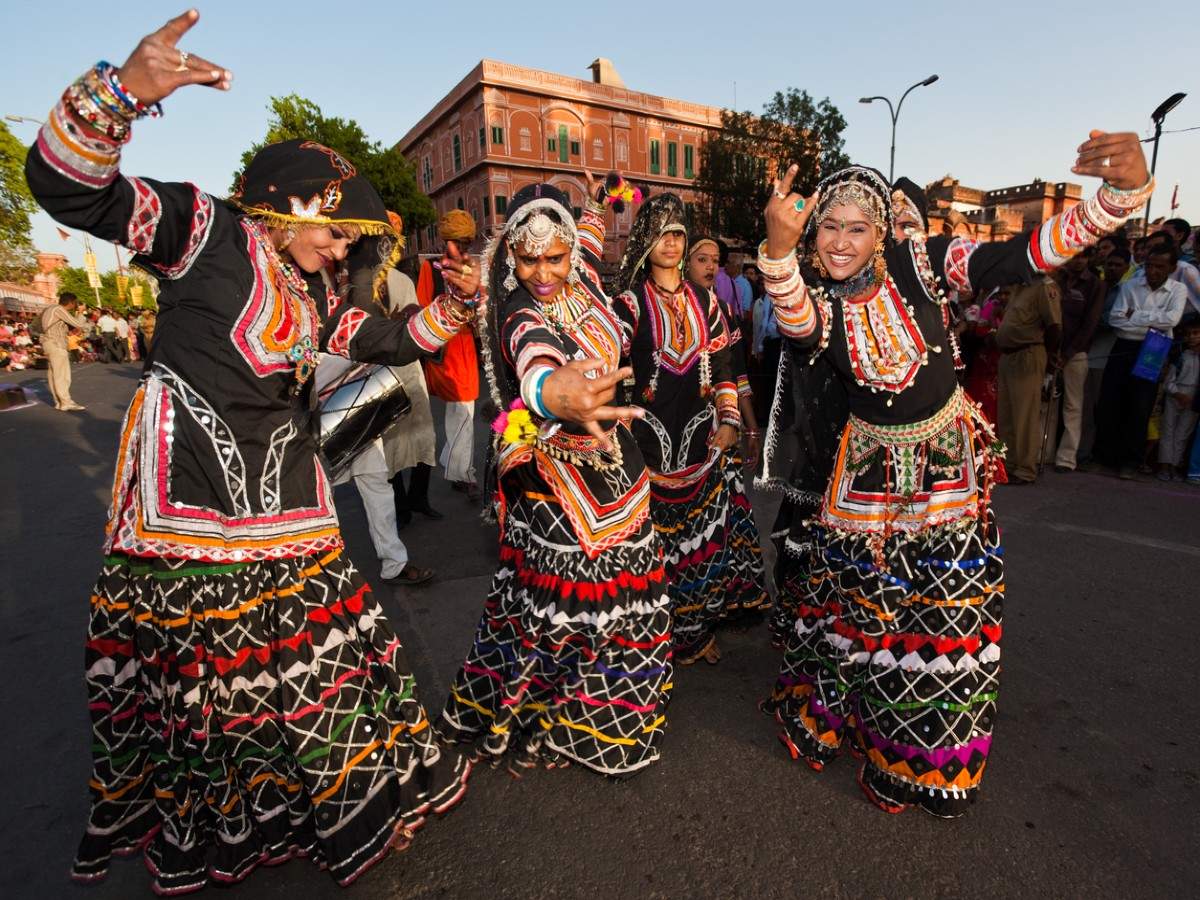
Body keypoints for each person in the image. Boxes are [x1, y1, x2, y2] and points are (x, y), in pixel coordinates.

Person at [25, 14, 475, 891]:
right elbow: (72, 192)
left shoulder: (309, 293)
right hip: (189, 489)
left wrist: (456, 308)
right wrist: (117, 96)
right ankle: (237, 819)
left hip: (287, 493)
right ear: (291, 202)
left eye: (350, 242)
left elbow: (387, 337)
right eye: (338, 232)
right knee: (211, 679)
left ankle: (336, 803)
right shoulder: (204, 229)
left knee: (324, 652)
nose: (343, 249)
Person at [759, 128, 1152, 817]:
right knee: (861, 619)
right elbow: (793, 320)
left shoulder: (926, 262)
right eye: (828, 228)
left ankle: (921, 766)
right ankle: (846, 723)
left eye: (857, 227)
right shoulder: (819, 305)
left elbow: (1024, 255)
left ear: (881, 231)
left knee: (945, 619)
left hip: (947, 471)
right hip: (869, 484)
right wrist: (779, 250)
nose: (842, 241)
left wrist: (1118, 199)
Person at [440, 181, 672, 775]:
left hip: (618, 461)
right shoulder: (518, 310)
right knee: (564, 607)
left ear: (572, 249)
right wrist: (551, 389)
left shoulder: (588, 276)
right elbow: (533, 358)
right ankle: (557, 713)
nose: (542, 271)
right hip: (554, 474)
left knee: (625, 599)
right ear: (510, 255)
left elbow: (591, 230)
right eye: (526, 257)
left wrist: (599, 201)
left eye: (555, 256)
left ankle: (605, 718)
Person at [612, 195, 768, 665]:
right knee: (650, 549)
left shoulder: (709, 302)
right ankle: (654, 637)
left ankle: (694, 631)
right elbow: (612, 373)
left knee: (702, 547)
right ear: (645, 239)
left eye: (678, 233)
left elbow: (723, 365)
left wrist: (730, 421)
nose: (671, 242)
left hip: (702, 445)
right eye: (661, 232)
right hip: (646, 450)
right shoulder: (627, 303)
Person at [1095, 244, 1189, 478]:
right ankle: (1107, 457)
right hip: (1125, 344)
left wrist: (1135, 316)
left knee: (1141, 405)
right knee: (1111, 400)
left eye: (1160, 266)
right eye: (1149, 265)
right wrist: (1150, 321)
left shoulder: (1177, 290)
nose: (1153, 271)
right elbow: (1117, 319)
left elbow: (1172, 320)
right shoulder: (1130, 286)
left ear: (1172, 267)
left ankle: (1131, 461)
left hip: (1155, 347)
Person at [417, 210, 482, 500]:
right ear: (447, 241)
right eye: (459, 243)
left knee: (462, 410)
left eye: (467, 244)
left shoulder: (470, 268)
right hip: (446, 350)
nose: (463, 249)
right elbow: (421, 307)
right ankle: (461, 473)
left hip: (467, 346)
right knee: (462, 410)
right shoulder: (430, 268)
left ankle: (452, 462)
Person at [384, 243, 441, 526]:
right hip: (382, 371)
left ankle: (418, 498)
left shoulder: (403, 280)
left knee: (424, 436)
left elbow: (417, 318)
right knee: (391, 443)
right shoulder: (363, 286)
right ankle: (400, 505)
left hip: (410, 367)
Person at [995, 277, 1062, 483]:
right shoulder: (1019, 286)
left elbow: (1054, 327)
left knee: (1024, 416)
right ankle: (1008, 464)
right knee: (1006, 415)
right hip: (1009, 356)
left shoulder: (1044, 286)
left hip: (1028, 353)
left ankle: (1025, 470)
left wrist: (1050, 364)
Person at [1079, 245, 1132, 463]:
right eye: (1109, 264)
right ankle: (1082, 451)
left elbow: (1110, 322)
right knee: (1082, 407)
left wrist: (1091, 323)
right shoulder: (1096, 286)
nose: (1112, 268)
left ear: (1126, 268)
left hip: (1104, 357)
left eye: (1117, 265)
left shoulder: (1125, 291)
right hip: (1084, 353)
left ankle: (1089, 452)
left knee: (1095, 407)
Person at [1052, 254, 1105, 471]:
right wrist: (1052, 351)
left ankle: (1066, 458)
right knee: (1048, 403)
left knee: (1073, 405)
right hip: (1052, 349)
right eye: (1074, 256)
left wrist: (1068, 353)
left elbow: (1090, 323)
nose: (1078, 261)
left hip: (1076, 352)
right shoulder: (1058, 279)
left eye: (1084, 256)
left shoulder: (1095, 284)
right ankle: (1042, 453)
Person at [1157, 320, 1200, 479]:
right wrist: (1179, 395)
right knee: (1168, 430)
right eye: (1189, 334)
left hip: (1194, 398)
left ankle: (1174, 466)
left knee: (1183, 434)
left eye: (1196, 333)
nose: (1192, 337)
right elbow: (1168, 382)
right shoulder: (1180, 354)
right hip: (1175, 395)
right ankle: (1164, 466)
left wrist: (1192, 398)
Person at [39, 292, 90, 410]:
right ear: (71, 302)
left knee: (54, 374)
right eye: (76, 303)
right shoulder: (59, 309)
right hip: (56, 344)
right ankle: (66, 402)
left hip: (49, 343)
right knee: (62, 375)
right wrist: (81, 313)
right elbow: (78, 324)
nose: (76, 305)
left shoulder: (51, 309)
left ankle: (59, 402)